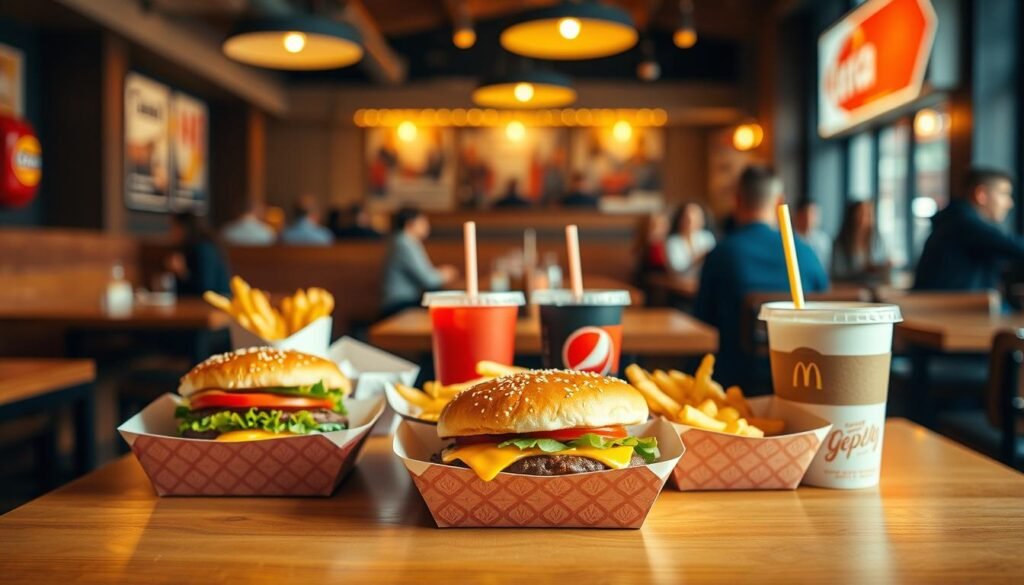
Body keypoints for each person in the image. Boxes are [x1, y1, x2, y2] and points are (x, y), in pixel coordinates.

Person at [694, 166, 829, 388]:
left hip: (733, 384)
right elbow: (823, 310)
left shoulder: (721, 254)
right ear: (779, 203)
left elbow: (702, 320)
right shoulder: (805, 252)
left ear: (737, 201)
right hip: (804, 380)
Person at [915, 168, 1023, 290]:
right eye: (1004, 194)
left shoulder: (955, 218)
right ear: (981, 195)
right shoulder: (963, 223)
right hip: (954, 307)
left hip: (952, 305)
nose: (1010, 203)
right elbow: (1014, 247)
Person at [380, 207, 458, 316]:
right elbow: (427, 280)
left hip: (405, 302)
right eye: (422, 222)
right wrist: (445, 274)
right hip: (399, 304)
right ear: (410, 224)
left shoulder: (404, 241)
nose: (427, 225)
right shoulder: (404, 243)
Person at [166, 212, 230, 296]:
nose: (171, 232)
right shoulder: (186, 249)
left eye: (174, 228)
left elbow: (206, 289)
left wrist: (182, 272)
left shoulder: (204, 249)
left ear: (184, 228)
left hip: (214, 304)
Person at [831, 200, 890, 284]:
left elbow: (882, 262)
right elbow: (837, 274)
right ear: (852, 216)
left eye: (868, 214)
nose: (864, 219)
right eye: (861, 213)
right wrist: (863, 271)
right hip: (848, 290)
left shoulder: (877, 239)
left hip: (875, 288)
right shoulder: (840, 242)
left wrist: (883, 266)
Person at [666, 203, 716, 275]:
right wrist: (698, 258)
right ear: (680, 219)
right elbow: (676, 269)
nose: (691, 222)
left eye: (696, 218)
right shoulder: (672, 241)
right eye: (687, 218)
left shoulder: (707, 236)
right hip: (681, 283)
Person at [795, 200, 831, 270]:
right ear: (797, 216)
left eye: (813, 214)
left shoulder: (823, 240)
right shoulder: (789, 239)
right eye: (805, 214)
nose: (809, 219)